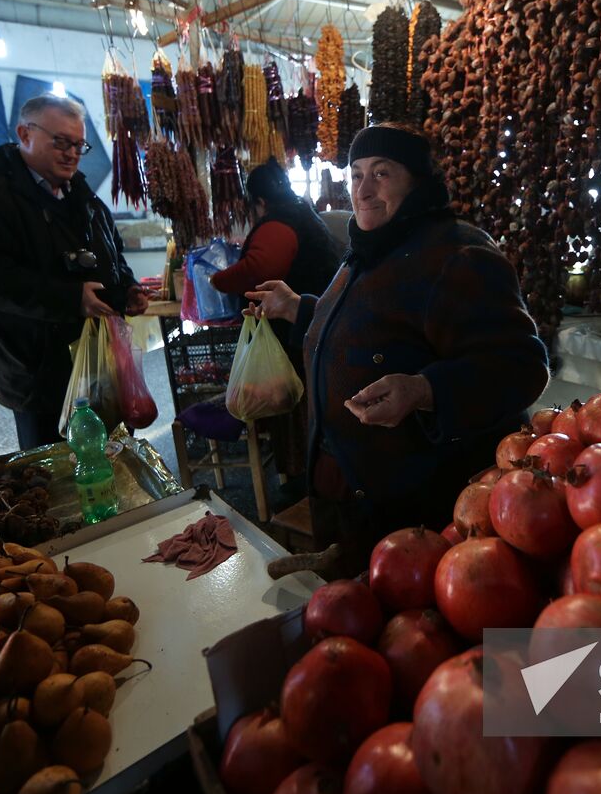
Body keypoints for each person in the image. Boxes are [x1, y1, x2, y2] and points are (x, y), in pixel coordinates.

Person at [247, 124, 549, 573]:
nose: (363, 190)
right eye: (356, 174)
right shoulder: (372, 248)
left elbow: (522, 365)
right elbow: (374, 330)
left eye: (382, 174)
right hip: (355, 500)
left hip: (421, 513)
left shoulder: (458, 255)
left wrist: (425, 390)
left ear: (418, 181)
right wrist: (299, 309)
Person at [0, 95, 148, 451]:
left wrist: (125, 290)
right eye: (60, 142)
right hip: (39, 374)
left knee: (115, 460)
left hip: (100, 365)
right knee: (61, 476)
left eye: (78, 145)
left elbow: (111, 257)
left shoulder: (85, 198)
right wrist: (69, 298)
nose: (71, 153)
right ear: (25, 133)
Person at [210, 156, 341, 343]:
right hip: (315, 320)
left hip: (298, 331)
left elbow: (258, 269)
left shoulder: (279, 222)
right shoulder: (301, 213)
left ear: (261, 202)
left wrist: (217, 281)